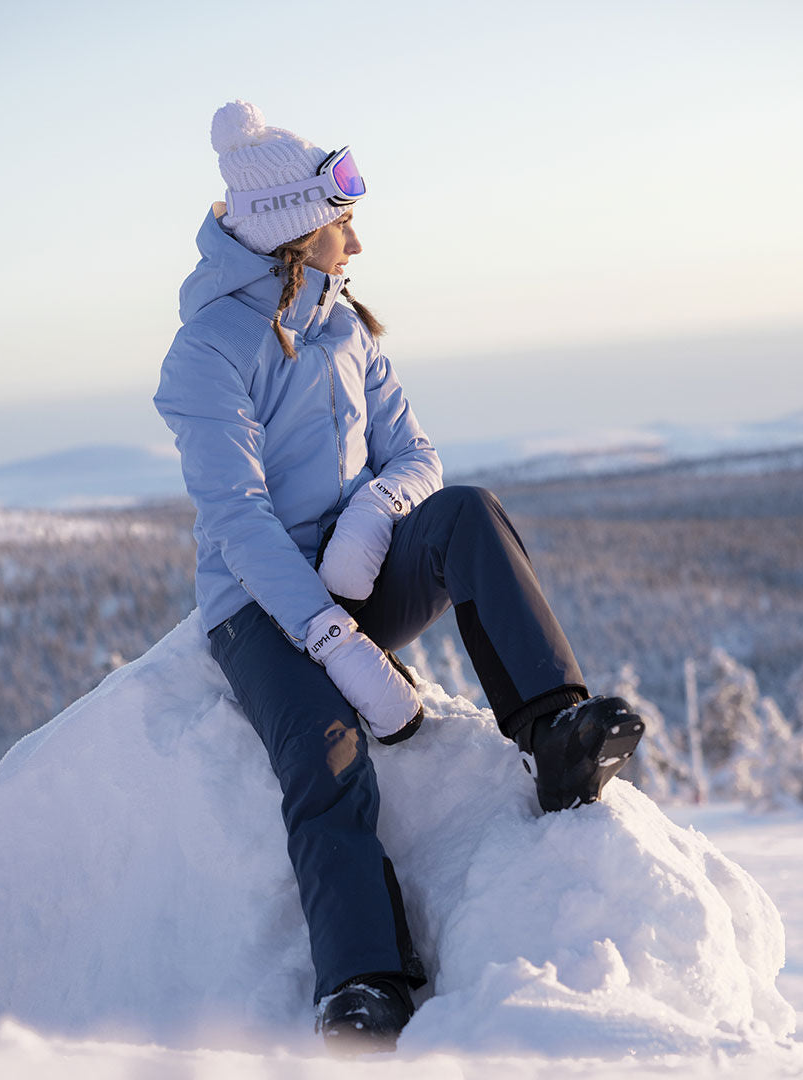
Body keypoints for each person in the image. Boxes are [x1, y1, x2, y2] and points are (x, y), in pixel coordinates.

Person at [154, 101, 644, 1054]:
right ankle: (363, 981)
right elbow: (241, 527)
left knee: (467, 510)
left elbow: (415, 452)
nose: (360, 240)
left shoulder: (347, 329)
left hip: (361, 565)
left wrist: (375, 516)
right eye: (345, 221)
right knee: (328, 750)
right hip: (259, 604)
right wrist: (334, 639)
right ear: (296, 229)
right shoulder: (207, 351)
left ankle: (552, 729)